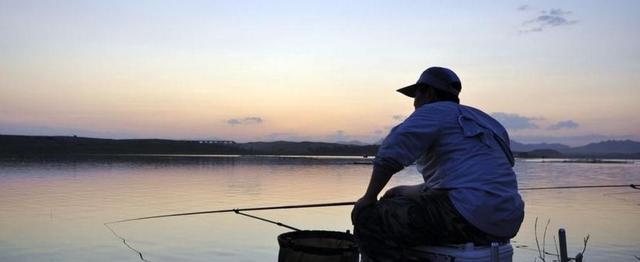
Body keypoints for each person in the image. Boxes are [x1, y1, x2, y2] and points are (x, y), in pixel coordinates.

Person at [351, 67, 524, 261]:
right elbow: (471, 180)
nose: (415, 104)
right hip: (508, 220)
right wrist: (403, 191)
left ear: (430, 93)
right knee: (397, 207)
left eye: (416, 96)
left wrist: (369, 197)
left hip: (467, 217)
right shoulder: (486, 121)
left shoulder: (433, 112)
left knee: (368, 219)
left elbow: (390, 154)